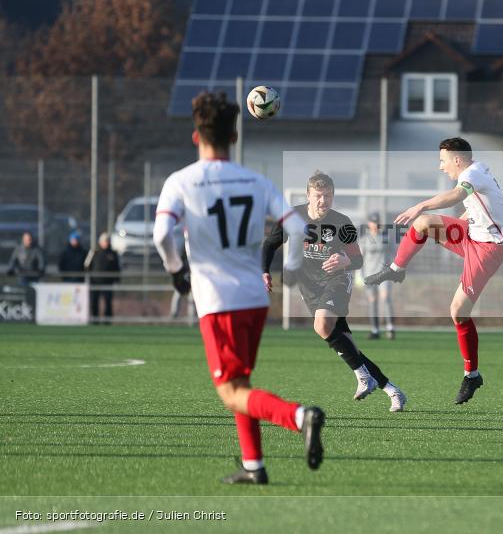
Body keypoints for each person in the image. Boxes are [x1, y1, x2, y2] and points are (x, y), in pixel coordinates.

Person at [153, 91, 325, 485]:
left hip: (217, 300)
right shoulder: (257, 181)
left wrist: (176, 271)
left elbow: (162, 234)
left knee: (230, 390)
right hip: (253, 297)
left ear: (196, 137)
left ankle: (300, 417)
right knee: (241, 383)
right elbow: (298, 228)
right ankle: (253, 465)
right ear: (233, 137)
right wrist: (291, 268)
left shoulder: (181, 181)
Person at [365, 137, 503, 404]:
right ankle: (396, 269)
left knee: (458, 311)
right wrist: (445, 223)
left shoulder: (471, 174)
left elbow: (456, 196)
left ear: (457, 160)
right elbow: (473, 210)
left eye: (443, 160)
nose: (441, 166)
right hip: (472, 236)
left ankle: (472, 375)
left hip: (487, 250)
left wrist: (421, 204)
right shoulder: (476, 170)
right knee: (422, 224)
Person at [262, 172, 407, 413]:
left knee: (321, 325)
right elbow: (269, 244)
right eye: (318, 196)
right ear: (308, 196)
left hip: (337, 280)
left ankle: (363, 377)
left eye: (328, 196)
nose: (323, 201)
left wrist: (344, 261)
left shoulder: (342, 222)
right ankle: (392, 390)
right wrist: (264, 271)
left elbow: (358, 260)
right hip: (310, 287)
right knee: (349, 347)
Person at [359, 212, 396, 340]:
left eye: (377, 222)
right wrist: (360, 274)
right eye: (373, 222)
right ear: (369, 223)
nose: (375, 225)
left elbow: (394, 254)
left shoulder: (386, 237)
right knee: (372, 301)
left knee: (385, 298)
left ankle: (390, 328)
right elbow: (360, 259)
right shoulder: (364, 240)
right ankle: (375, 330)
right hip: (370, 274)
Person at [84, 232, 121, 322]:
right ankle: (95, 320)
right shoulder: (94, 252)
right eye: (104, 241)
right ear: (100, 242)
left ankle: (107, 321)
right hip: (95, 282)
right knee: (94, 301)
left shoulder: (113, 253)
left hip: (108, 282)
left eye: (107, 241)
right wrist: (89, 278)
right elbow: (86, 266)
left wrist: (117, 279)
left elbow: (117, 268)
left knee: (108, 302)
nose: (106, 243)